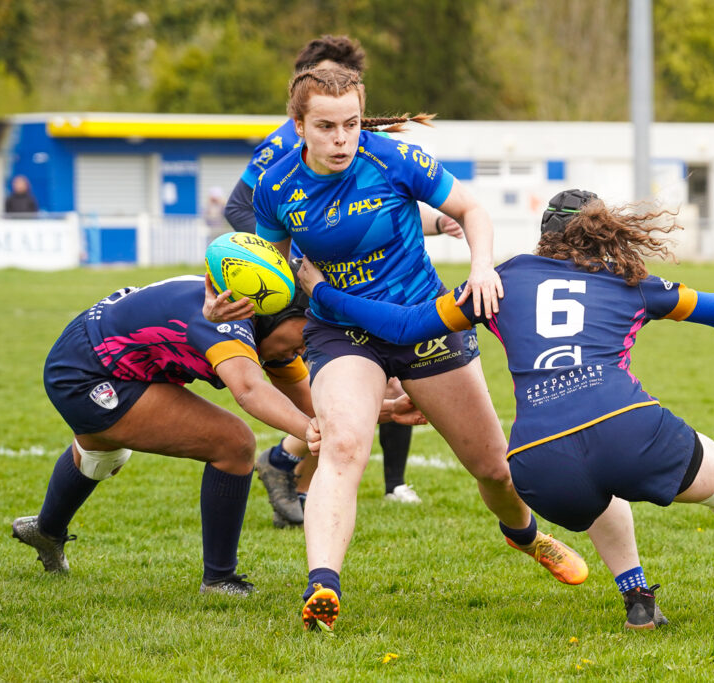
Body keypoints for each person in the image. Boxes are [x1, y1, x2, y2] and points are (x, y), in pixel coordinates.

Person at [299, 188, 714, 631]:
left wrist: (321, 292)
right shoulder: (633, 282)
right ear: (605, 232)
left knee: (600, 489)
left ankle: (637, 599)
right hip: (625, 425)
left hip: (535, 460)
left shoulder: (501, 280)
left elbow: (403, 325)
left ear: (544, 237)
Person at [250, 63, 589, 631]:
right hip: (341, 333)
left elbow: (471, 210)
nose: (341, 139)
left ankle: (526, 536)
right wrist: (238, 300)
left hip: (425, 322)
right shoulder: (275, 186)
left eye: (351, 124)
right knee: (343, 446)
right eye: (326, 127)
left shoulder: (393, 159)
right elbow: (266, 267)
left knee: (493, 469)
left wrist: (481, 268)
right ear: (299, 125)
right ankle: (322, 587)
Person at [13, 275, 423, 595]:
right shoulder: (227, 318)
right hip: (86, 371)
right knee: (234, 443)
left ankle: (45, 532)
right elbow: (249, 390)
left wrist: (384, 411)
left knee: (101, 452)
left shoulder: (270, 335)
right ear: (277, 316)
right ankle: (219, 579)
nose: (300, 353)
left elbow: (317, 405)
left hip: (107, 362)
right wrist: (308, 431)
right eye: (301, 340)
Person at [225, 35, 460, 521]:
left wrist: (439, 222)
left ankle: (370, 480)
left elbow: (373, 211)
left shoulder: (369, 148)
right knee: (349, 392)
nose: (339, 130)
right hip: (309, 283)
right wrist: (280, 260)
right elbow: (239, 207)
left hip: (365, 280)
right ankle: (294, 466)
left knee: (392, 374)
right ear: (301, 99)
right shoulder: (280, 149)